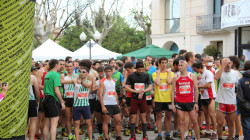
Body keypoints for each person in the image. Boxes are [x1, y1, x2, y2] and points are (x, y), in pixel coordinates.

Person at [171, 60, 200, 140]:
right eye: (179, 65)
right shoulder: (175, 76)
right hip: (179, 102)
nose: (179, 67)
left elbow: (196, 90)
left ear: (186, 67)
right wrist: (173, 104)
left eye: (181, 65)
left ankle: (198, 138)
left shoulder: (192, 76)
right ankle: (183, 138)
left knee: (194, 121)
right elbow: (172, 91)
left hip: (190, 101)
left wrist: (196, 102)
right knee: (181, 121)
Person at [125, 61, 152, 140]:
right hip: (134, 98)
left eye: (142, 69)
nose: (140, 71)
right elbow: (127, 87)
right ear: (136, 68)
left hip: (143, 98)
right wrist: (136, 91)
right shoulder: (131, 75)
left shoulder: (146, 75)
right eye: (139, 69)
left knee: (143, 118)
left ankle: (144, 136)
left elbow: (150, 87)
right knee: (133, 117)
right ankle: (132, 136)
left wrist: (143, 91)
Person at [214, 58, 239, 140]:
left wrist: (238, 94)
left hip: (231, 101)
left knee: (231, 123)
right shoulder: (219, 71)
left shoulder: (235, 73)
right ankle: (220, 138)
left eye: (229, 63)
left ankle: (230, 138)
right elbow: (216, 77)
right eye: (225, 63)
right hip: (221, 100)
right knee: (220, 122)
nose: (227, 65)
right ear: (221, 64)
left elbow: (240, 85)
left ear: (231, 63)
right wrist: (222, 66)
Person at [192, 61, 217, 138]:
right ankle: (208, 131)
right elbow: (197, 82)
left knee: (211, 114)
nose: (195, 71)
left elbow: (208, 85)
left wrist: (197, 87)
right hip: (203, 96)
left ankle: (215, 131)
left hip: (210, 96)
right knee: (206, 115)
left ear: (199, 68)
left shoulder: (208, 73)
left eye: (195, 69)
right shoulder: (201, 74)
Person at [98, 65, 123, 140]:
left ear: (112, 72)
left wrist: (117, 103)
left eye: (109, 71)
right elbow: (100, 94)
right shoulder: (102, 82)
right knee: (106, 121)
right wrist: (102, 106)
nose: (108, 73)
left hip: (114, 103)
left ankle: (118, 136)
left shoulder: (113, 81)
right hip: (106, 103)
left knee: (119, 120)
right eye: (106, 71)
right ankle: (106, 137)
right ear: (105, 72)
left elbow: (114, 92)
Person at [42, 59, 66, 140]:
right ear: (56, 65)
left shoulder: (47, 74)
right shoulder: (55, 75)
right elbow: (56, 90)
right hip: (52, 100)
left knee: (47, 123)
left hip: (46, 99)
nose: (60, 66)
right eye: (59, 64)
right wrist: (62, 101)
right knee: (54, 124)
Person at [152, 57, 174, 140]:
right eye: (163, 63)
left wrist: (168, 73)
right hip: (159, 99)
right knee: (159, 116)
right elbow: (157, 82)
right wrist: (158, 74)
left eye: (166, 63)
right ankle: (159, 134)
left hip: (168, 99)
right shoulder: (155, 73)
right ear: (159, 64)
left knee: (168, 116)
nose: (164, 65)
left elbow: (169, 81)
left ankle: (168, 134)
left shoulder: (171, 73)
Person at [73, 66, 93, 140]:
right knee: (76, 123)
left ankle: (90, 138)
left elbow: (87, 85)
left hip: (85, 105)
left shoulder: (89, 81)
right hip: (76, 105)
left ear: (87, 73)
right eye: (80, 71)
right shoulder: (75, 80)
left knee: (88, 122)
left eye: (83, 72)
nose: (81, 73)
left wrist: (81, 82)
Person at [60, 61, 78, 139]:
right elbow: (61, 82)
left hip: (75, 97)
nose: (69, 68)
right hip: (66, 98)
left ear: (73, 67)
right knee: (68, 117)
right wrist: (72, 81)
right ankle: (70, 133)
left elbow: (77, 84)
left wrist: (67, 82)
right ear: (65, 67)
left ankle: (76, 131)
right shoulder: (63, 75)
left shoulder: (76, 75)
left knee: (75, 117)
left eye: (70, 66)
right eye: (67, 66)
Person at [35, 60, 49, 139]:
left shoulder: (52, 72)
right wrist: (49, 87)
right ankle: (39, 134)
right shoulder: (41, 72)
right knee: (41, 117)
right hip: (42, 96)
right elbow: (37, 85)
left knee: (46, 118)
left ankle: (41, 134)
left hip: (49, 97)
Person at [237, 60, 250, 139]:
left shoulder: (241, 81)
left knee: (247, 130)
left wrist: (248, 107)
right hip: (246, 110)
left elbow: (240, 97)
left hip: (245, 110)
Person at [93, 66, 105, 139]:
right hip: (97, 101)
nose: (101, 75)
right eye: (99, 74)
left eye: (102, 74)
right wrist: (99, 87)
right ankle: (101, 134)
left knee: (106, 119)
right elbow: (93, 90)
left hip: (105, 101)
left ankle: (105, 134)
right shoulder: (96, 81)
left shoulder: (107, 80)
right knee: (99, 119)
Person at [28, 72, 40, 140]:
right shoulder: (32, 77)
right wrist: (38, 101)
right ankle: (31, 138)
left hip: (22, 102)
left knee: (24, 122)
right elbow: (37, 91)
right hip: (32, 101)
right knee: (33, 121)